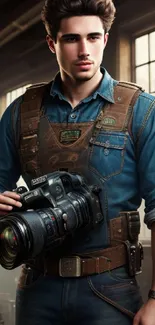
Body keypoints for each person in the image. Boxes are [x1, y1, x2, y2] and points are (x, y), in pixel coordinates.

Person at [0, 0, 155, 324]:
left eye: (94, 37)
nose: (85, 49)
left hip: (110, 289)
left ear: (106, 40)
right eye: (72, 39)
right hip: (38, 285)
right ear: (52, 43)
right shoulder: (19, 112)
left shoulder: (142, 110)